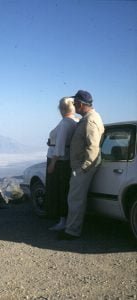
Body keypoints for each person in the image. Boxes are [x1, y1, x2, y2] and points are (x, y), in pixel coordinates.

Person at [58, 90, 104, 240]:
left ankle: (71, 231)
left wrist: (83, 167)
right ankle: (72, 228)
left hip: (84, 166)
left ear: (82, 104)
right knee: (76, 198)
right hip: (83, 165)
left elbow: (94, 146)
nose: (74, 105)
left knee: (75, 198)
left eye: (76, 103)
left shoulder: (90, 120)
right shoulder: (88, 118)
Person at [45, 97, 78, 229]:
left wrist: (52, 163)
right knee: (64, 190)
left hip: (58, 161)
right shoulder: (76, 121)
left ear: (62, 108)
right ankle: (64, 219)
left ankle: (62, 220)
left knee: (58, 191)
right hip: (67, 159)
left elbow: (59, 146)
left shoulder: (65, 122)